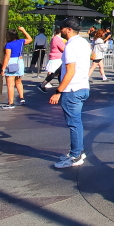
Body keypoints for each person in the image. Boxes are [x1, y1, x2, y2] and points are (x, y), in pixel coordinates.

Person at [49, 17, 92, 168]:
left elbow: (70, 71)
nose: (60, 31)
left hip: (71, 89)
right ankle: (78, 150)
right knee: (77, 122)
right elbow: (91, 57)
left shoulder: (70, 46)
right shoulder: (84, 43)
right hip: (83, 86)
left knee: (74, 123)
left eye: (62, 28)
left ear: (68, 29)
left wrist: (58, 91)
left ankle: (75, 155)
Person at [1, 26, 32, 109]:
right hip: (20, 61)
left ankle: (10, 103)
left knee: (10, 84)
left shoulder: (8, 45)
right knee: (18, 81)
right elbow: (30, 39)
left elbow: (7, 57)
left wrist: (3, 68)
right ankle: (22, 98)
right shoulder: (21, 42)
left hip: (12, 62)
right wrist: (23, 30)